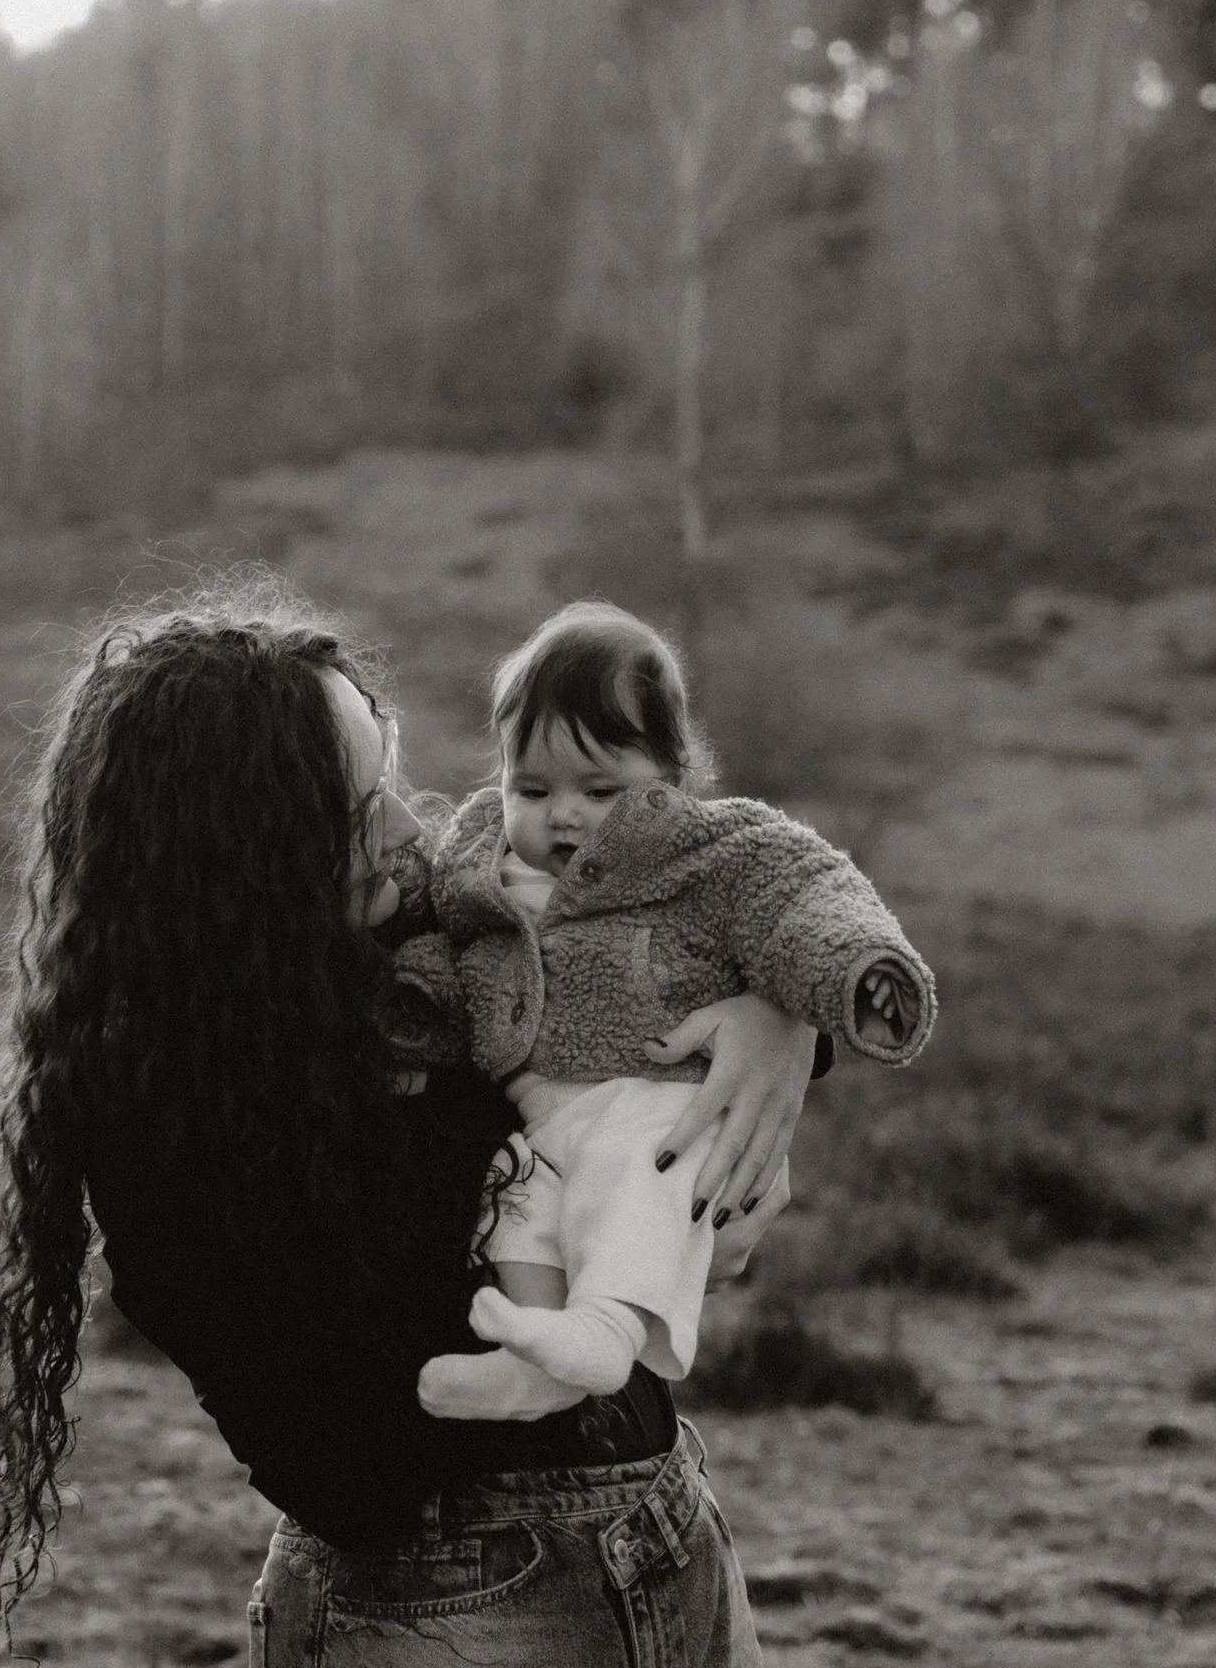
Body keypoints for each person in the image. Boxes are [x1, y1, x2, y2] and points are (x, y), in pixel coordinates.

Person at [0, 583, 815, 1668]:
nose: (412, 832)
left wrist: (780, 1026)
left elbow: (667, 926)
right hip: (444, 1633)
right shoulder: (168, 1110)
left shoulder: (419, 944)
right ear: (244, 845)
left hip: (665, 1536)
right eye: (357, 803)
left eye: (393, 782)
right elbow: (352, 1470)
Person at [392, 601, 935, 1416]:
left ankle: (606, 1326)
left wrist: (857, 976)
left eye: (600, 789)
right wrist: (408, 1009)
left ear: (671, 777)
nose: (563, 813)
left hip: (661, 1099)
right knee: (516, 1207)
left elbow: (805, 900)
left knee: (633, 1174)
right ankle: (538, 1363)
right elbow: (446, 963)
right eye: (530, 787)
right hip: (539, 1119)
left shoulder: (711, 852)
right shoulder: (476, 875)